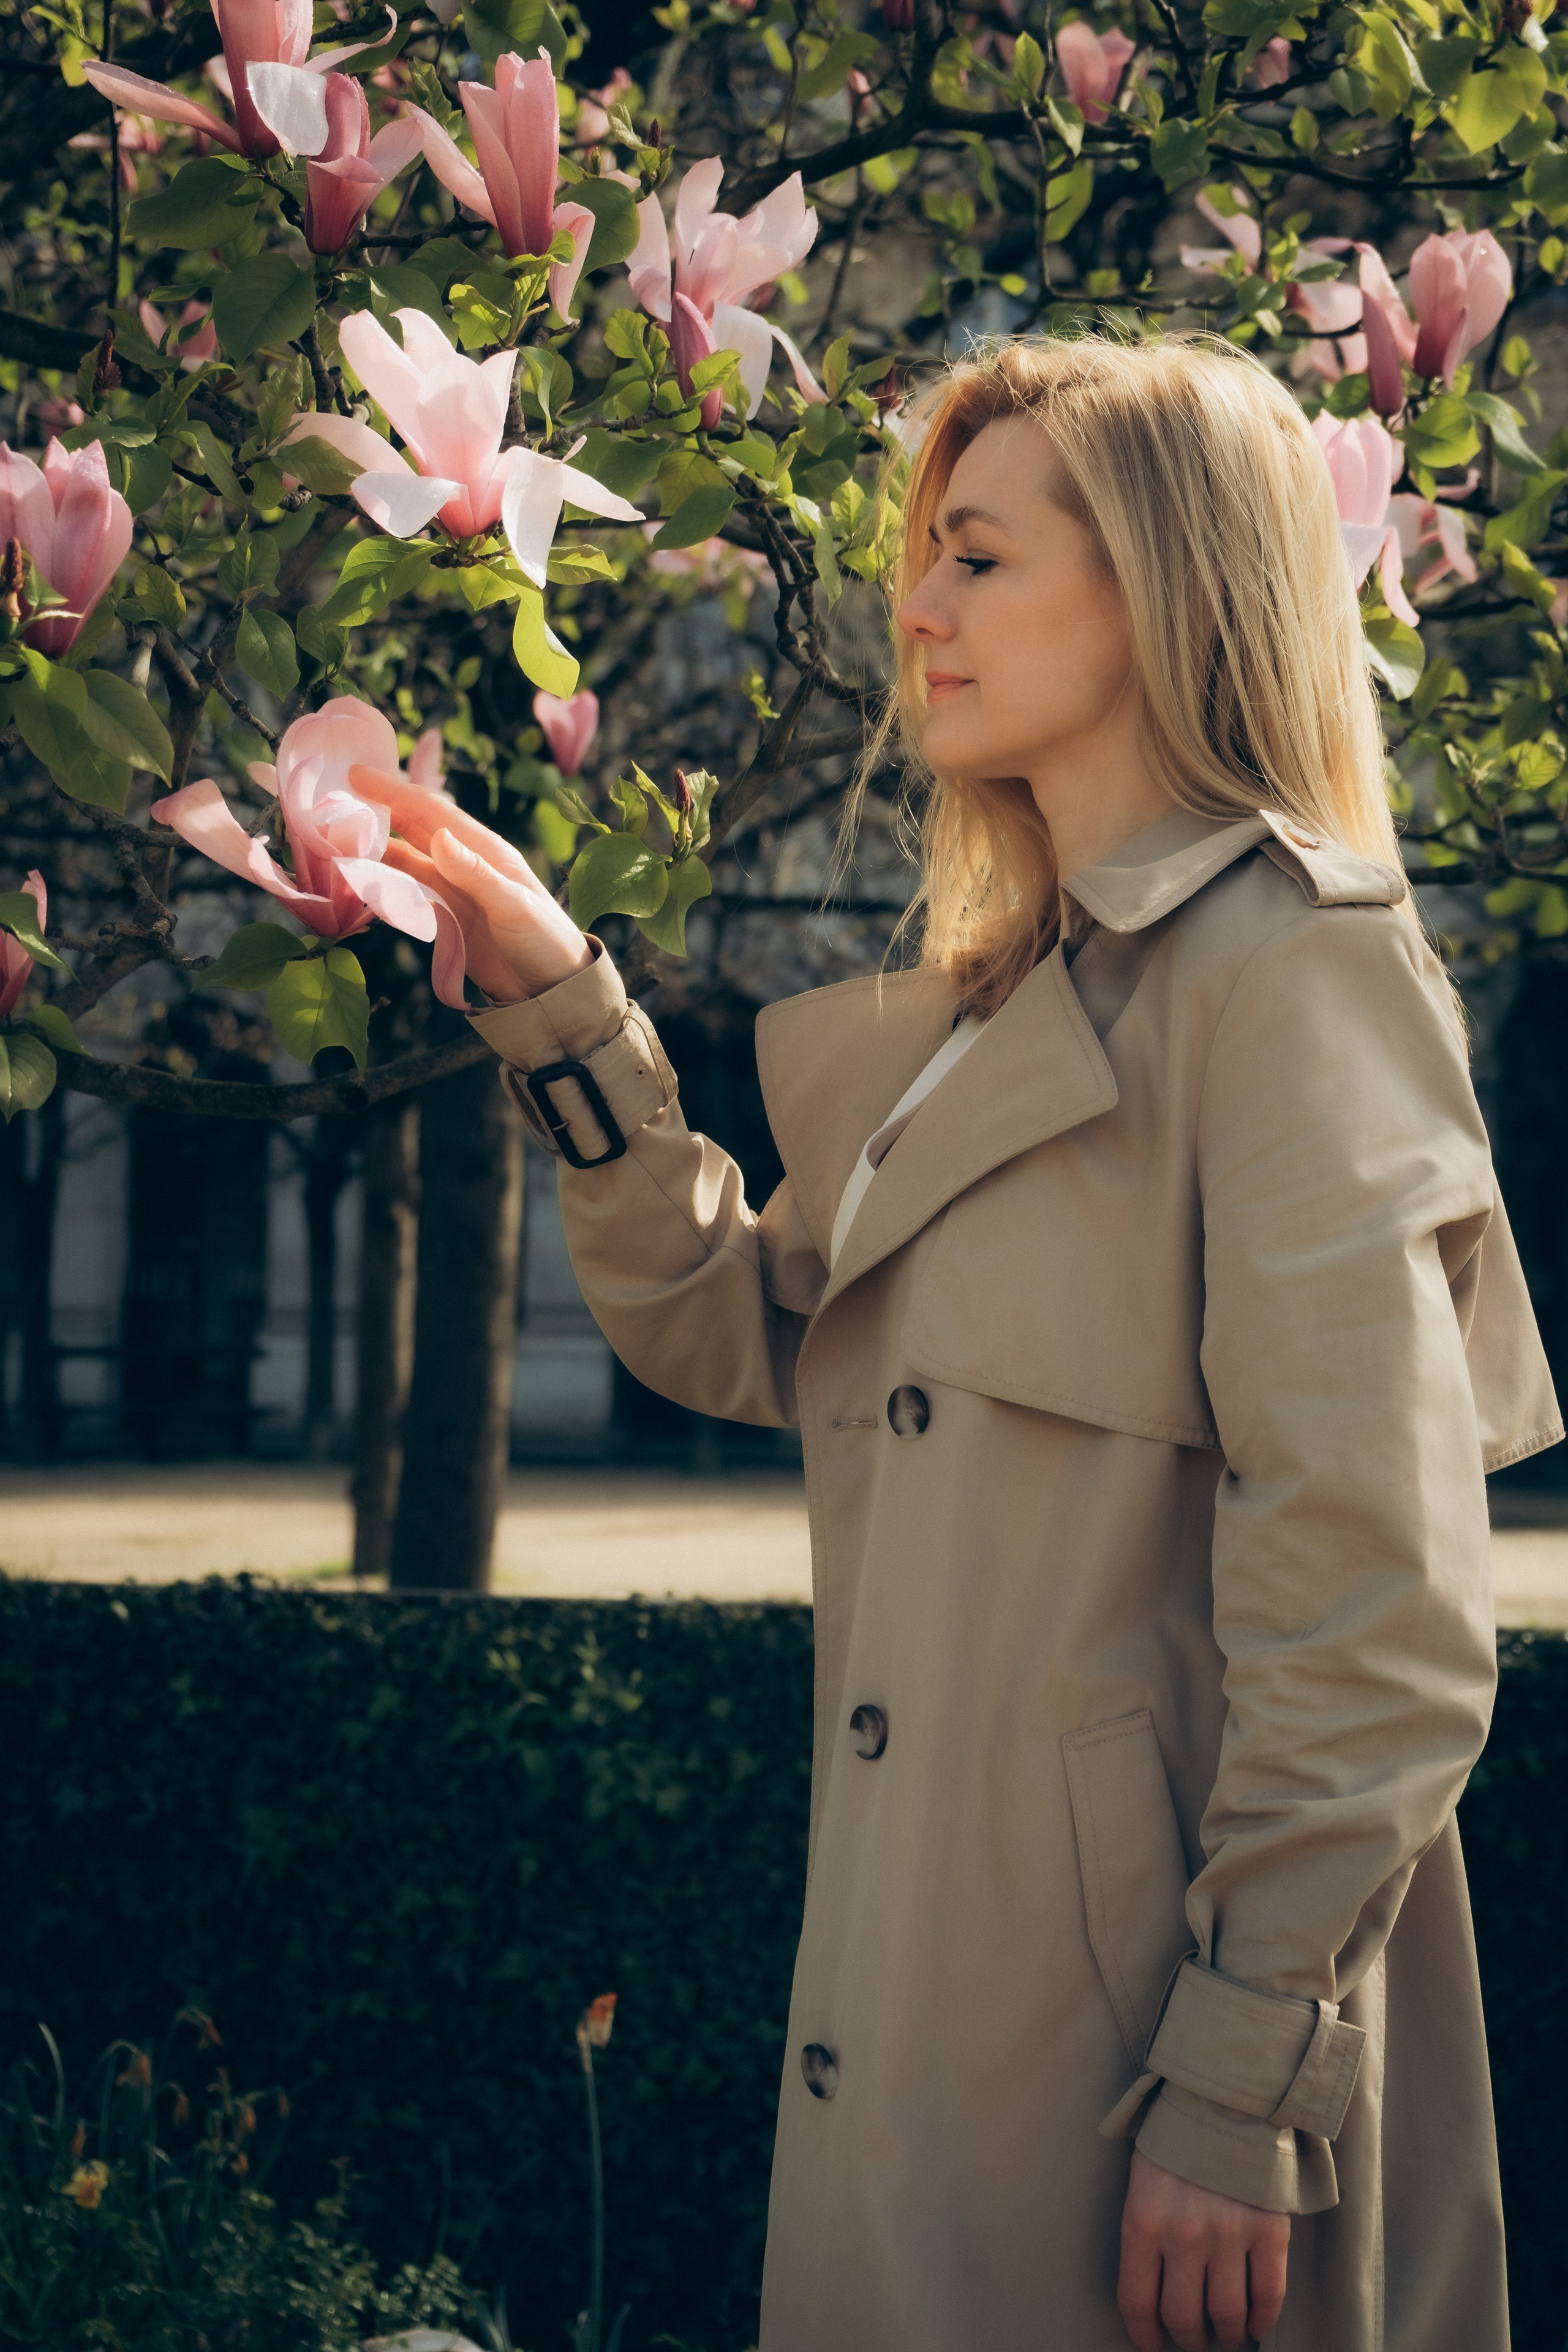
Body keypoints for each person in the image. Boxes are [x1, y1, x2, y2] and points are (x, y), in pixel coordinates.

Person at [355, 336, 1561, 2352]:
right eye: (928, 552)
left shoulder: (1298, 981)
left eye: (980, 556)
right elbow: (743, 1328)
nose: (915, 604)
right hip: (923, 2005)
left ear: (1167, 586)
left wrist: (1241, 2068)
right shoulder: (1018, 1001)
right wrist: (565, 1017)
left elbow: (1383, 1599)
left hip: (1146, 2074)